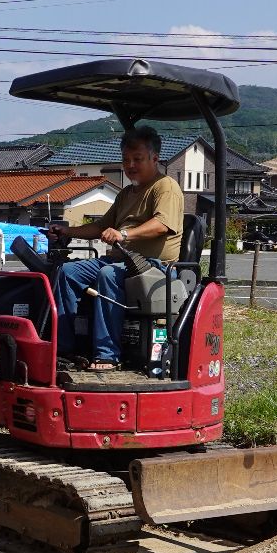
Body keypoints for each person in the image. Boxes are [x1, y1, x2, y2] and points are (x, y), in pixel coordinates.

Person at [48, 125, 185, 370]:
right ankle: (64, 348)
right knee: (68, 272)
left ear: (155, 158)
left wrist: (123, 234)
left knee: (108, 275)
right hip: (121, 261)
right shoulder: (126, 194)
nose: (130, 165)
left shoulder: (166, 187)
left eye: (137, 159)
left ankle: (107, 355)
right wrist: (67, 231)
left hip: (153, 267)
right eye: (126, 159)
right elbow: (101, 226)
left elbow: (162, 224)